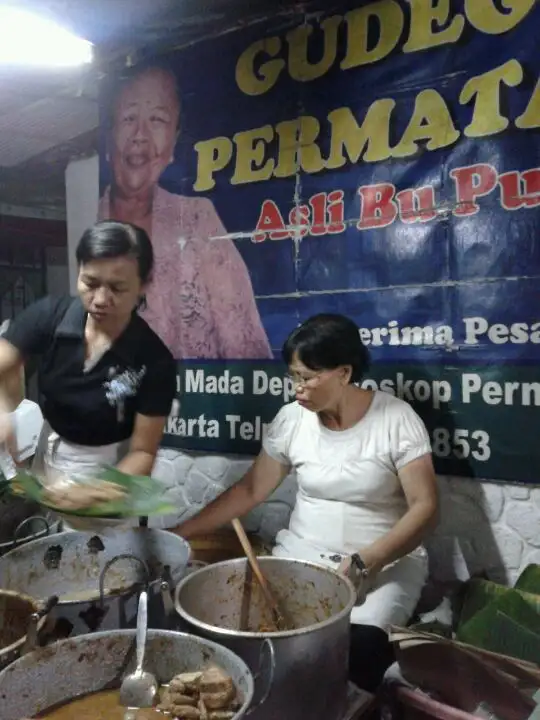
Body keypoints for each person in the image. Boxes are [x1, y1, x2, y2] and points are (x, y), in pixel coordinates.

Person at [173, 313, 439, 692]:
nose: (297, 388)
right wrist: (177, 535)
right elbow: (249, 492)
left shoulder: (395, 419)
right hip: (303, 556)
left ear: (344, 373)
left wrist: (368, 560)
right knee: (259, 644)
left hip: (382, 566)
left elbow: (426, 508)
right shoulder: (292, 420)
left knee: (356, 655)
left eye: (307, 377)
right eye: (293, 376)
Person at [99, 61, 272, 360]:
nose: (140, 134)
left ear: (174, 141)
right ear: (108, 137)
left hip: (196, 405)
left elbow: (248, 353)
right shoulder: (88, 227)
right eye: (128, 118)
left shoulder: (197, 220)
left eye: (157, 119)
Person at [0, 220, 176, 509]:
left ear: (143, 285)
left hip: (112, 469)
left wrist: (96, 493)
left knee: (98, 547)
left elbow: (143, 453)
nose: (100, 300)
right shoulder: (50, 316)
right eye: (90, 283)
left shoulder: (154, 360)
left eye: (117, 288)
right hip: (51, 448)